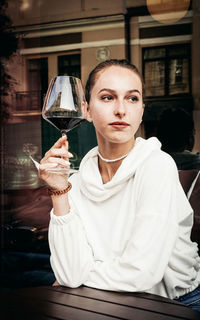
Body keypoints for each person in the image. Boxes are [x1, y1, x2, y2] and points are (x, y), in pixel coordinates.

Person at [39, 59, 200, 312]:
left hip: (175, 306)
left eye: (132, 98)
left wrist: (80, 277)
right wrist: (59, 191)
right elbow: (70, 274)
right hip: (104, 301)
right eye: (107, 97)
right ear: (87, 110)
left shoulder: (157, 165)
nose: (121, 110)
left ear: (142, 110)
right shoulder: (76, 181)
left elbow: (142, 274)